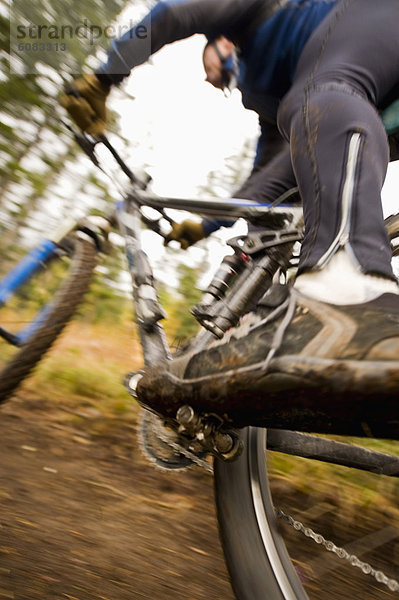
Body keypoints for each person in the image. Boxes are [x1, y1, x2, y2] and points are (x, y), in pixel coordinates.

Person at [61, 0, 399, 413]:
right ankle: (251, 327)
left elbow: (171, 15)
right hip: (369, 97)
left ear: (221, 42)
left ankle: (350, 288)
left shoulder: (263, 13)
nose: (208, 78)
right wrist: (205, 225)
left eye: (207, 64)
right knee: (278, 203)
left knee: (321, 93)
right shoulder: (264, 95)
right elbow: (265, 185)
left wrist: (104, 77)